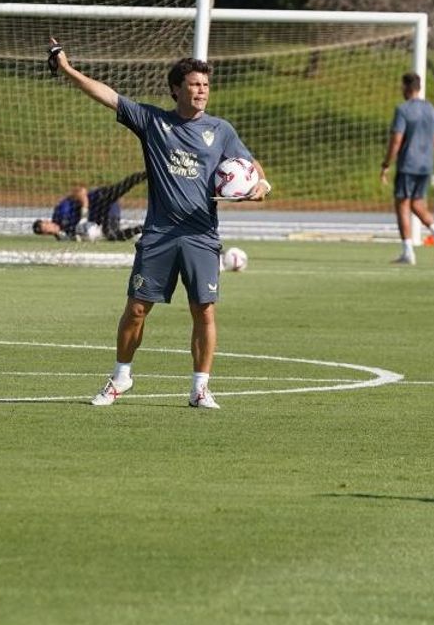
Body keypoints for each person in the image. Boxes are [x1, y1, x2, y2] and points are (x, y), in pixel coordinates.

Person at [48, 38, 270, 410]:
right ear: (175, 89)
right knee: (136, 309)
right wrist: (68, 70)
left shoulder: (222, 130)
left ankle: (200, 388)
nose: (201, 91)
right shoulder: (153, 121)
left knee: (204, 309)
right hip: (159, 234)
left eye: (205, 85)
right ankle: (121, 377)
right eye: (194, 85)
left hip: (201, 234)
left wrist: (262, 186)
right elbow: (108, 96)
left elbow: (251, 167)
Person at [380, 72, 434, 265]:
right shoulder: (432, 110)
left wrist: (386, 164)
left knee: (402, 204)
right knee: (417, 204)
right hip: (426, 164)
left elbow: (396, 140)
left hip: (408, 164)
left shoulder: (403, 110)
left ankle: (408, 252)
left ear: (407, 88)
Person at [32, 171, 146, 242]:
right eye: (46, 231)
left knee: (114, 192)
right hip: (104, 215)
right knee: (112, 236)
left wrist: (84, 216)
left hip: (97, 200)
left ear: (47, 221)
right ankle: (143, 228)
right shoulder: (64, 237)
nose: (49, 229)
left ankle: (143, 175)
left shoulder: (59, 212)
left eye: (46, 225)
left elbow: (81, 192)